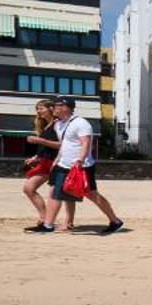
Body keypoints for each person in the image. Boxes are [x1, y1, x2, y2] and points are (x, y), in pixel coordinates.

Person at [45, 97, 123, 235]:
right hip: (64, 164)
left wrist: (80, 160)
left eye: (56, 105)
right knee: (56, 192)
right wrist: (57, 159)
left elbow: (86, 143)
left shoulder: (81, 123)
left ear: (65, 107)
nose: (53, 108)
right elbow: (64, 144)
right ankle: (48, 225)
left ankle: (115, 221)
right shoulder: (58, 124)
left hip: (82, 166)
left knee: (91, 194)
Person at [21, 99, 59, 232]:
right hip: (45, 162)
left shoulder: (57, 124)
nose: (38, 111)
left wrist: (39, 140)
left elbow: (61, 145)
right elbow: (44, 148)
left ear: (50, 109)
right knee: (28, 188)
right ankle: (44, 218)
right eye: (37, 109)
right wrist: (35, 158)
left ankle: (50, 221)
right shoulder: (46, 125)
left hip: (56, 162)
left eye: (41, 108)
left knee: (58, 194)